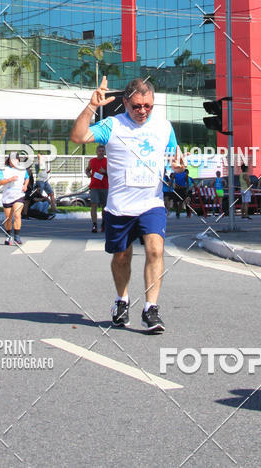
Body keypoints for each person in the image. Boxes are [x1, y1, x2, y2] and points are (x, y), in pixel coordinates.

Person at [70, 76, 181, 334]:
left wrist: (177, 166)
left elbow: (174, 158)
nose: (142, 111)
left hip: (151, 203)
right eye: (137, 106)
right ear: (125, 103)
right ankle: (122, 301)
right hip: (119, 207)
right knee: (121, 257)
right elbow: (78, 137)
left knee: (155, 250)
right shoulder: (111, 125)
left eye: (148, 106)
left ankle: (151, 309)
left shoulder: (164, 127)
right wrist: (91, 107)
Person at [0, 153, 29, 244]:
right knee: (8, 218)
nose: (14, 162)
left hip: (18, 195)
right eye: (12, 160)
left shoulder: (22, 169)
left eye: (16, 160)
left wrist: (25, 185)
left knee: (17, 215)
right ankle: (8, 236)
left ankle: (17, 236)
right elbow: (0, 182)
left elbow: (27, 178)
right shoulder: (4, 170)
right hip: (7, 196)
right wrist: (9, 179)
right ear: (9, 161)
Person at [86, 144, 108, 233]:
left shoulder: (108, 161)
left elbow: (113, 173)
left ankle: (104, 223)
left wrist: (105, 172)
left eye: (103, 151)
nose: (101, 153)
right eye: (100, 151)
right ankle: (94, 225)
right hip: (94, 186)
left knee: (104, 207)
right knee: (94, 205)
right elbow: (87, 169)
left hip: (105, 187)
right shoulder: (92, 161)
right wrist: (88, 173)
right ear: (97, 152)